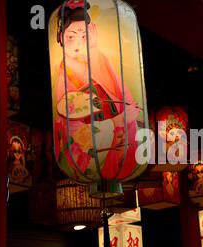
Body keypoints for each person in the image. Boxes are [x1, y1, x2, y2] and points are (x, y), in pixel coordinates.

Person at [53, 0, 141, 181]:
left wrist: (93, 49)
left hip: (118, 139)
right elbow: (75, 132)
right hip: (95, 151)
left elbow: (120, 92)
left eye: (84, 36)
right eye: (71, 37)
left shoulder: (96, 60)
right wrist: (116, 121)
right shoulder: (64, 80)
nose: (78, 43)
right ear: (60, 37)